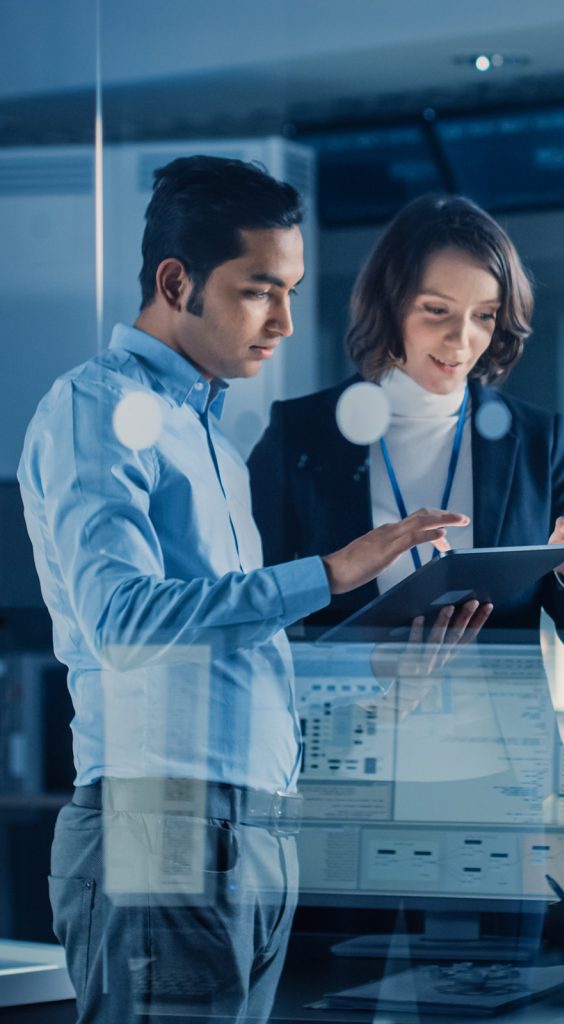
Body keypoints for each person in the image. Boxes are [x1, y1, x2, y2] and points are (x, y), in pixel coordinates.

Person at [17, 156, 484, 1023]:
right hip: (160, 818)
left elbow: (225, 668)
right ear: (175, 281)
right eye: (259, 290)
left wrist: (382, 695)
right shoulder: (96, 409)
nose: (282, 321)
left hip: (252, 829)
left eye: (293, 291)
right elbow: (122, 621)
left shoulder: (213, 441)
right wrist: (332, 572)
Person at [247, 193, 564, 648]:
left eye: (484, 316)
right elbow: (249, 609)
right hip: (351, 716)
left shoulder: (536, 441)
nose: (461, 339)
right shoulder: (302, 433)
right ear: (390, 304)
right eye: (437, 310)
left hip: (498, 717)